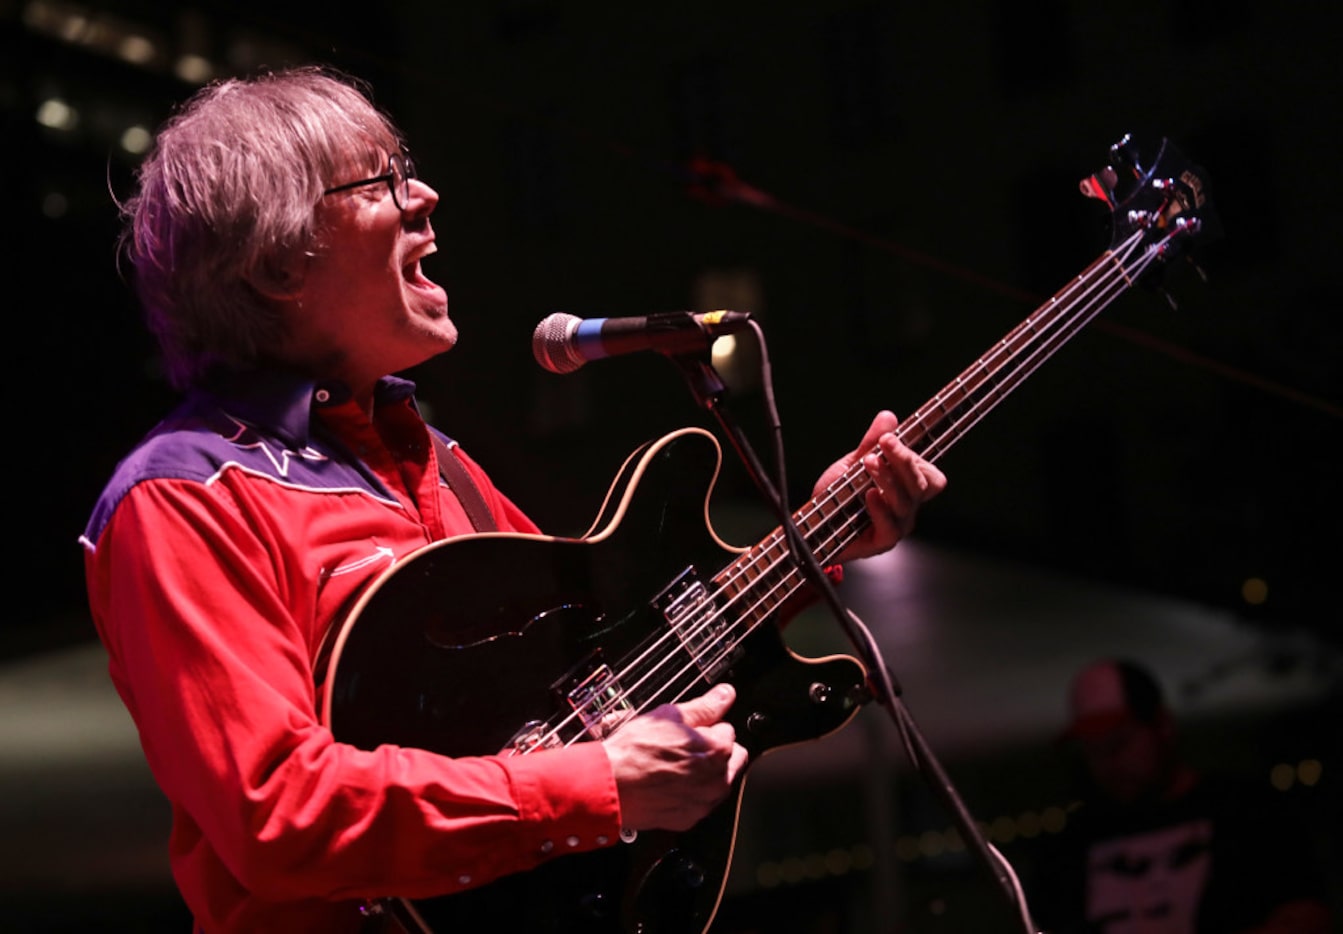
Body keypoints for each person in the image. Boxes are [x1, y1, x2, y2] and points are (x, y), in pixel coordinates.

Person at [78, 65, 947, 933]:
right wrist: (595, 787)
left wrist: (821, 539)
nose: (424, 194)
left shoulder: (442, 465)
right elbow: (276, 815)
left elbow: (611, 661)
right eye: (379, 180)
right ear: (275, 262)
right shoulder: (184, 496)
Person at [1028, 658, 1332, 934]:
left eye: (1120, 742)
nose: (1108, 762)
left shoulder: (1246, 811)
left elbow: (1308, 917)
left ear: (1163, 726)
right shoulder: (1069, 846)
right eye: (1092, 750)